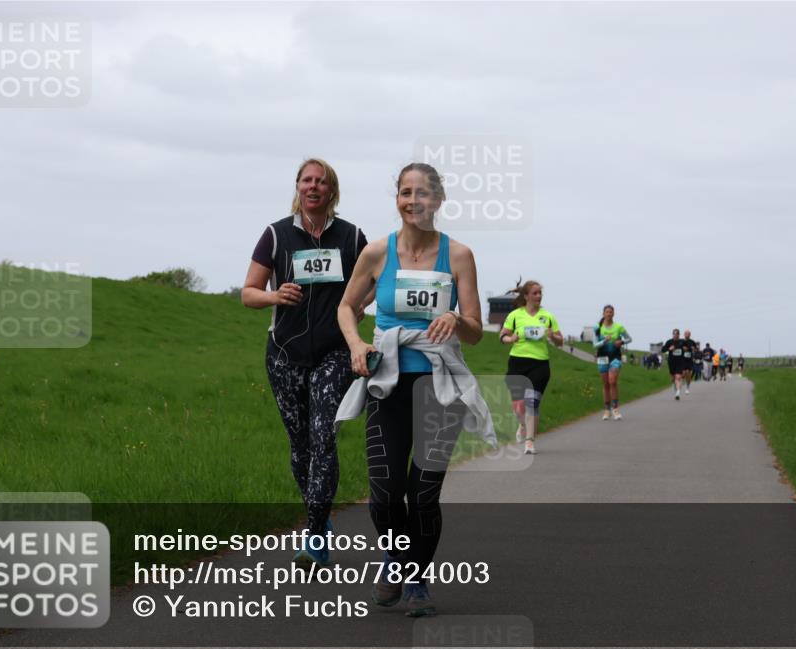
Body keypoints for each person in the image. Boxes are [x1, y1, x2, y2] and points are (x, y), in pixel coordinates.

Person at [336, 162, 489, 617]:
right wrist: (356, 344)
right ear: (398, 199)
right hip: (388, 381)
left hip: (439, 387)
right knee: (385, 494)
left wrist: (458, 319)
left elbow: (478, 330)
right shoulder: (377, 253)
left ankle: (416, 578)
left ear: (438, 201)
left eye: (422, 193)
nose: (413, 200)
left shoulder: (459, 255)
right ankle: (395, 560)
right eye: (405, 192)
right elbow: (347, 307)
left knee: (423, 494)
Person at [242, 158, 367, 567]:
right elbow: (248, 292)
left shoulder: (351, 238)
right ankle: (320, 517)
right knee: (300, 446)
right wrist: (275, 297)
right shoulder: (276, 235)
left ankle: (314, 536)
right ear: (297, 187)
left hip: (334, 353)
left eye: (321, 181)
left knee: (323, 436)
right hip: (284, 354)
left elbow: (371, 287)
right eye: (306, 180)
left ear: (332, 191)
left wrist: (356, 309)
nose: (313, 187)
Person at [500, 280, 564, 454]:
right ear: (526, 296)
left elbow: (560, 342)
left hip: (540, 364)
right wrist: (511, 339)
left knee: (532, 403)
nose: (538, 296)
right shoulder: (515, 315)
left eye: (540, 293)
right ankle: (522, 425)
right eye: (535, 293)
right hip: (517, 363)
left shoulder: (548, 316)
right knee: (518, 407)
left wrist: (553, 336)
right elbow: (502, 336)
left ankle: (530, 441)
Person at [593, 305, 631, 420]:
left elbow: (629, 339)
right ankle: (606, 410)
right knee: (605, 384)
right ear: (603, 314)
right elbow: (594, 345)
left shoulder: (619, 327)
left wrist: (621, 342)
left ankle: (615, 409)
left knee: (612, 381)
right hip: (602, 357)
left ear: (613, 314)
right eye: (607, 312)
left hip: (615, 357)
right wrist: (604, 341)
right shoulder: (597, 328)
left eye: (611, 312)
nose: (609, 314)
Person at [661, 328, 687, 400]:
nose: (675, 335)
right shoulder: (669, 342)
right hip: (672, 362)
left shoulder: (682, 341)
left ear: (679, 334)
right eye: (674, 334)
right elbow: (663, 350)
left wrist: (686, 349)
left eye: (677, 334)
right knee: (673, 378)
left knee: (678, 377)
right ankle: (675, 390)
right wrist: (669, 349)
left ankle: (678, 392)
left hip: (680, 362)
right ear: (672, 334)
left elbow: (688, 348)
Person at [681, 329, 697, 396]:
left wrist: (693, 349)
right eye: (686, 334)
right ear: (684, 334)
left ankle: (687, 388)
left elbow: (696, 349)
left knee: (689, 373)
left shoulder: (692, 342)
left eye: (688, 334)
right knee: (683, 373)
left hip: (689, 360)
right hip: (682, 359)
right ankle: (682, 381)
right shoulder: (681, 341)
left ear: (690, 335)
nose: (687, 335)